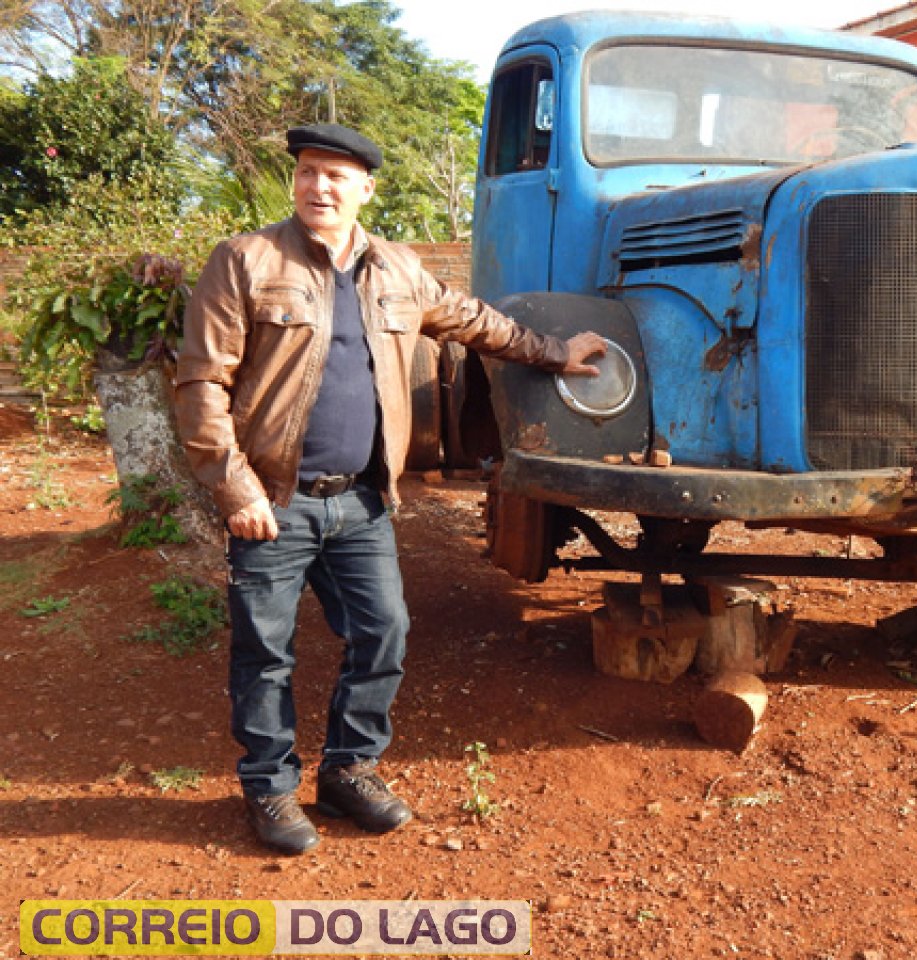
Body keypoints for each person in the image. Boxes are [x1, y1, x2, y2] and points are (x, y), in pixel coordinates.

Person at [174, 123, 606, 855]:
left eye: (337, 176)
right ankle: (271, 788)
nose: (319, 187)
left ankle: (349, 770)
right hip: (273, 502)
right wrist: (234, 488)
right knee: (265, 653)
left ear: (367, 188)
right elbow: (201, 383)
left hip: (364, 502)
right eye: (309, 172)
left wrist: (556, 353)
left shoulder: (399, 270)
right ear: (296, 181)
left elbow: (474, 321)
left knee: (384, 635)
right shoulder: (246, 261)